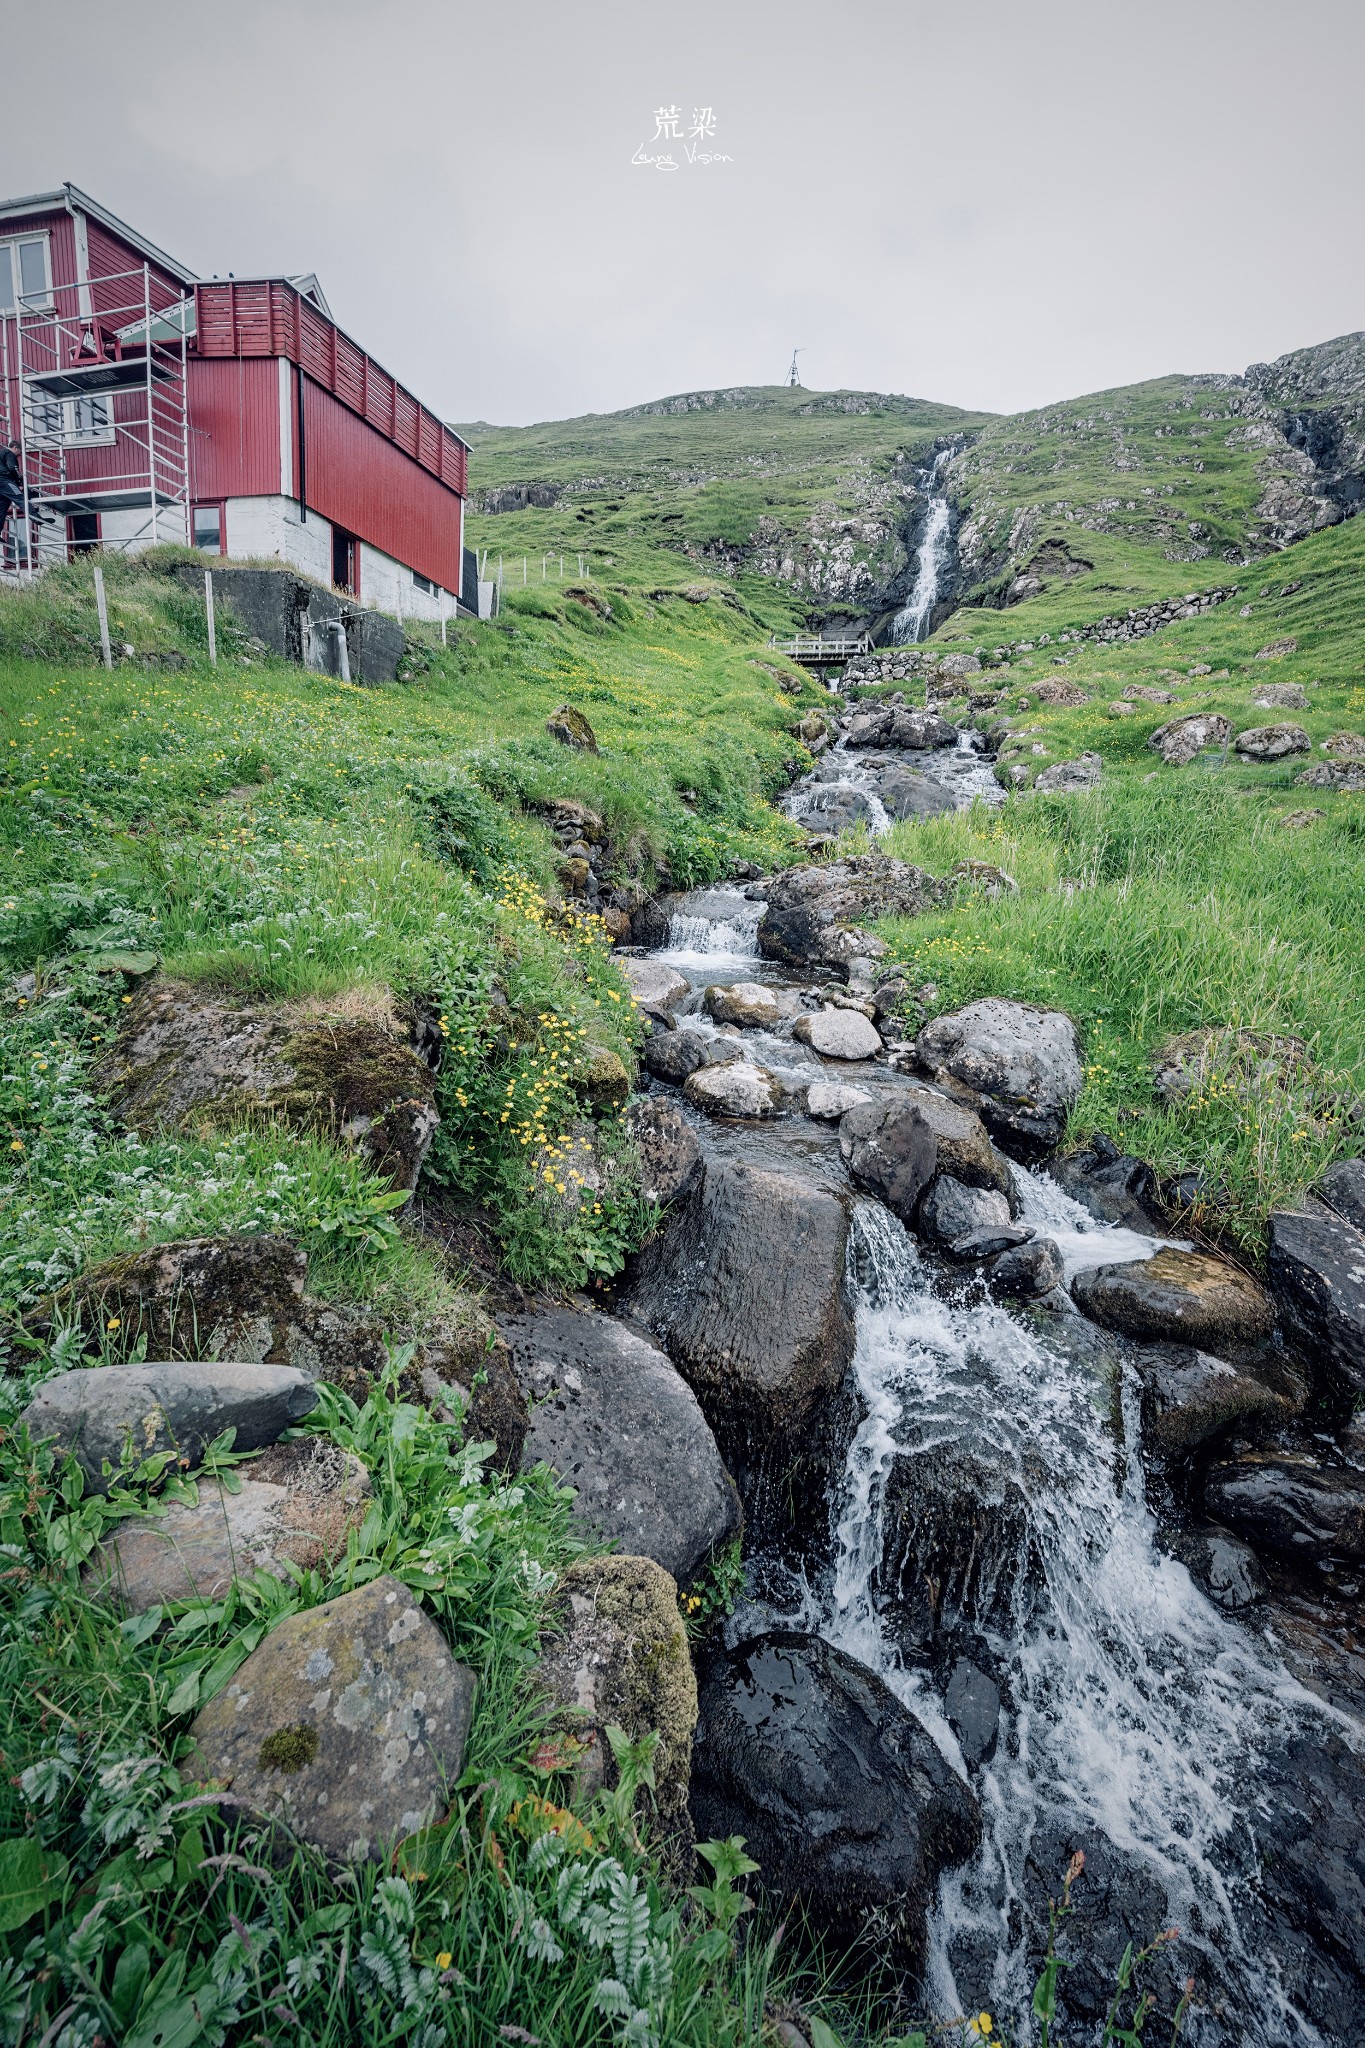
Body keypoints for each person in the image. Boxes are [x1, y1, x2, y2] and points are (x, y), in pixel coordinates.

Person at [0, 441, 25, 547]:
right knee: (21, 500)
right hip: (6, 484)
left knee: (1, 510)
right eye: (19, 452)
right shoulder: (10, 454)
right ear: (15, 448)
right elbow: (12, 469)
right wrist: (19, 482)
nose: (19, 455)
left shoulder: (2, 454)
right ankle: (34, 516)